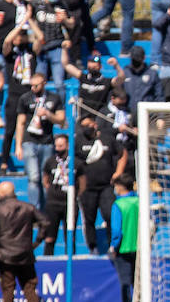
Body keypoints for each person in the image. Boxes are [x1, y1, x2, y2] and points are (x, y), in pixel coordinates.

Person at [78, 114, 127, 253]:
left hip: (106, 186)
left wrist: (118, 173)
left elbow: (122, 153)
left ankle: (113, 246)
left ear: (95, 124)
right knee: (89, 218)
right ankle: (93, 247)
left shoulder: (107, 139)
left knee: (110, 215)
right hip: (87, 188)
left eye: (88, 124)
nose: (86, 128)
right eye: (83, 126)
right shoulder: (78, 141)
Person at [15, 71, 66, 205]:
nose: (33, 89)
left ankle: (45, 209)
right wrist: (18, 145)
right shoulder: (25, 98)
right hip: (29, 141)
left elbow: (61, 120)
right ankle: (34, 209)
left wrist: (48, 115)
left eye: (36, 86)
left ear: (44, 84)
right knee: (33, 177)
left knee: (45, 177)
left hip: (47, 141)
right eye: (31, 86)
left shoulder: (54, 98)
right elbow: (20, 123)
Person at [108, 173, 139, 302]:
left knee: (125, 284)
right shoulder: (139, 202)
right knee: (138, 284)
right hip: (139, 249)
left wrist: (113, 246)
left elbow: (116, 230)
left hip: (124, 249)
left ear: (119, 187)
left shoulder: (118, 205)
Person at [40, 133, 72, 255]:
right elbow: (45, 178)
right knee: (50, 235)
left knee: (69, 235)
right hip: (53, 203)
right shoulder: (51, 161)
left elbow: (82, 180)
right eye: (56, 146)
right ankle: (48, 259)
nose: (58, 148)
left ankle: (70, 258)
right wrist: (50, 190)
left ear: (68, 145)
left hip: (69, 203)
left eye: (61, 145)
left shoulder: (75, 161)